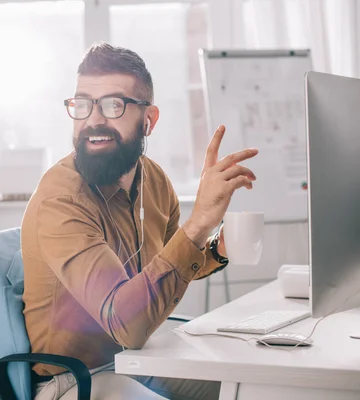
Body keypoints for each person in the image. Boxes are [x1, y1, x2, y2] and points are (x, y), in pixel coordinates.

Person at [21, 43, 258, 400]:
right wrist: (197, 225)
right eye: (83, 103)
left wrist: (214, 247)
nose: (94, 119)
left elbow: (164, 268)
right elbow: (127, 325)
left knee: (249, 388)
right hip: (73, 381)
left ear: (149, 120)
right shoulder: (62, 200)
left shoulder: (154, 181)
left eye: (113, 105)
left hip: (134, 360)